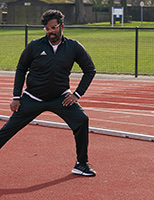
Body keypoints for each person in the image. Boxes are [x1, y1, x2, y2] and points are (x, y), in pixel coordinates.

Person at [0, 10, 96, 176]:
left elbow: (90, 70)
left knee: (82, 120)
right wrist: (16, 96)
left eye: (53, 28)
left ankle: (81, 164)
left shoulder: (73, 47)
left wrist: (76, 94)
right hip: (32, 98)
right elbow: (21, 68)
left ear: (61, 26)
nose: (50, 32)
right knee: (8, 129)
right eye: (47, 29)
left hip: (61, 98)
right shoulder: (35, 46)